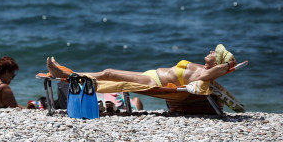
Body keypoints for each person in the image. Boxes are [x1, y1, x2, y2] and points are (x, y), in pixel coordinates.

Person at [46, 44, 237, 87]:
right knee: (105, 73)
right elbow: (216, 70)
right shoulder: (200, 68)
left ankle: (62, 74)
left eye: (215, 53)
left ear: (218, 62)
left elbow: (212, 74)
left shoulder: (202, 74)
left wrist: (227, 65)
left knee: (108, 73)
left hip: (152, 81)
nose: (211, 52)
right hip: (151, 75)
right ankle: (64, 72)